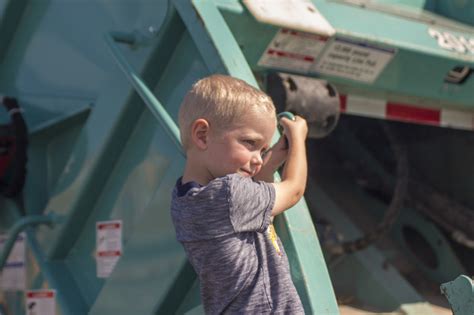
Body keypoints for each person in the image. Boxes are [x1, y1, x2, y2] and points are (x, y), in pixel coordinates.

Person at [171, 74, 308, 314]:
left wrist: (273, 159)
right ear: (202, 135)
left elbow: (251, 203)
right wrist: (298, 139)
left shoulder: (185, 200)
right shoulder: (229, 195)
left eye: (262, 150)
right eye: (249, 143)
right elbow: (293, 190)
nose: (257, 159)